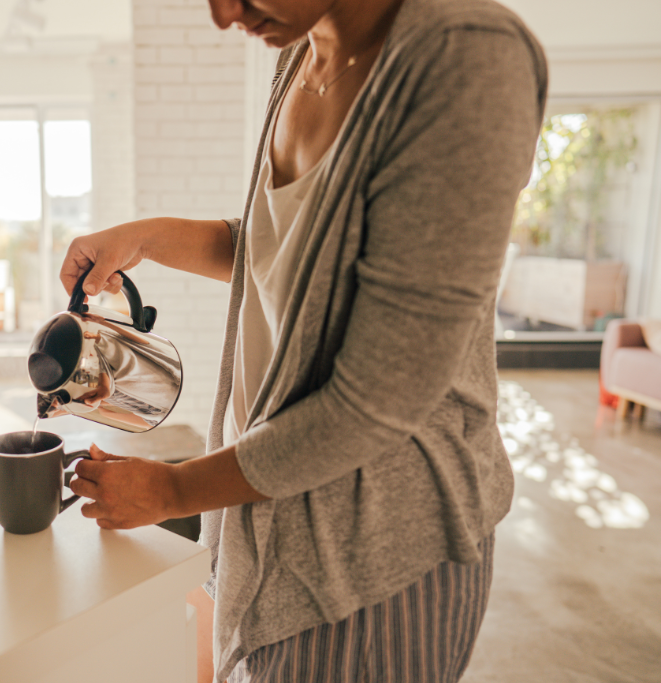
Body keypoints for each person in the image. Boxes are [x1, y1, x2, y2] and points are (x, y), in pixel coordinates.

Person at [62, 0, 547, 680]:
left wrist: (173, 493)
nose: (223, 14)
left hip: (374, 552)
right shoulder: (299, 51)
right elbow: (288, 250)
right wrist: (143, 236)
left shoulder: (465, 57)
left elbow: (374, 403)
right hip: (272, 506)